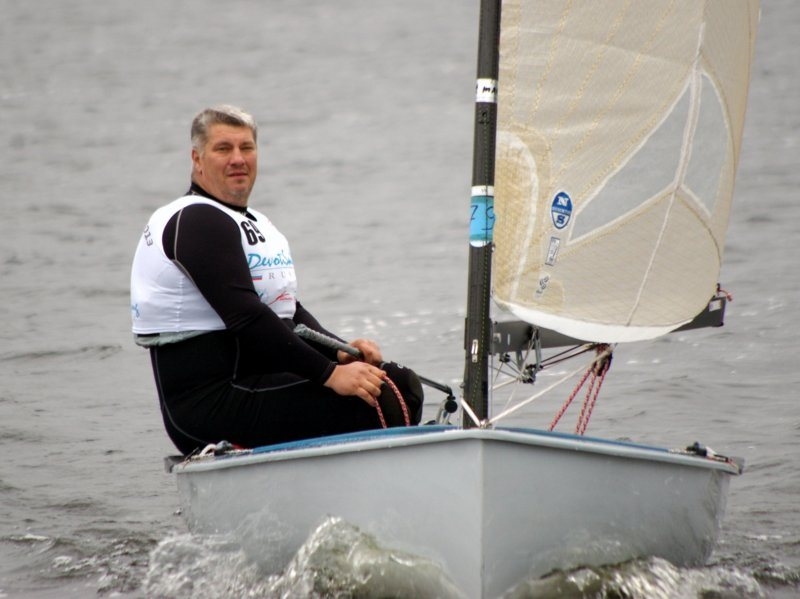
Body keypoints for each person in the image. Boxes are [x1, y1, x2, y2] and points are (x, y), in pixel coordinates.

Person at [130, 105, 423, 455]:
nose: (238, 159)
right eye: (223, 149)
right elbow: (246, 316)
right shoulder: (196, 220)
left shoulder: (253, 222)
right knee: (383, 396)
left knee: (395, 381)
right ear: (197, 159)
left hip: (256, 382)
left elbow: (288, 311)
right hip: (209, 403)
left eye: (246, 147)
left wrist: (341, 352)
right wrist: (330, 374)